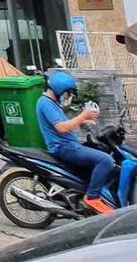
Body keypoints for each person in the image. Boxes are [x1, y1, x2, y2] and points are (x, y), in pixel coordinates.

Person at [36, 71, 113, 214]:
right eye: (68, 93)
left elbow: (66, 124)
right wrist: (83, 115)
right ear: (60, 88)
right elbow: (62, 128)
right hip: (64, 148)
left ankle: (83, 199)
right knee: (105, 160)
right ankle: (92, 198)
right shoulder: (46, 103)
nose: (68, 97)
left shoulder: (53, 103)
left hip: (69, 145)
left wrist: (83, 122)